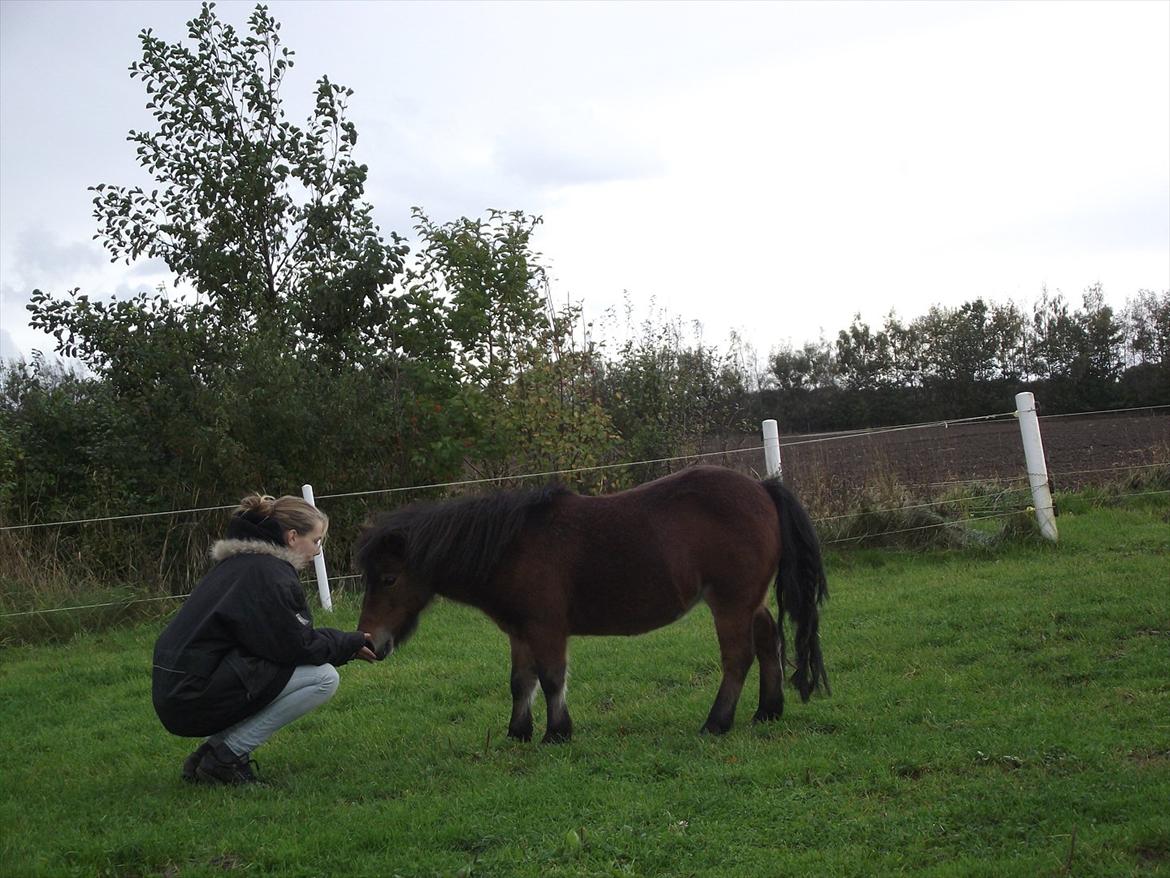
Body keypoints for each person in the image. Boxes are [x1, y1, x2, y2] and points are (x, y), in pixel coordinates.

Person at [151, 494, 375, 785]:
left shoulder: (243, 563)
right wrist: (349, 643)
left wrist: (345, 642)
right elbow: (298, 646)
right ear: (292, 537)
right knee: (323, 678)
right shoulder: (270, 575)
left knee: (275, 668)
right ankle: (224, 757)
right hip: (192, 696)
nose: (318, 551)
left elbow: (278, 641)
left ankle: (209, 754)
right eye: (317, 540)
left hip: (177, 691)